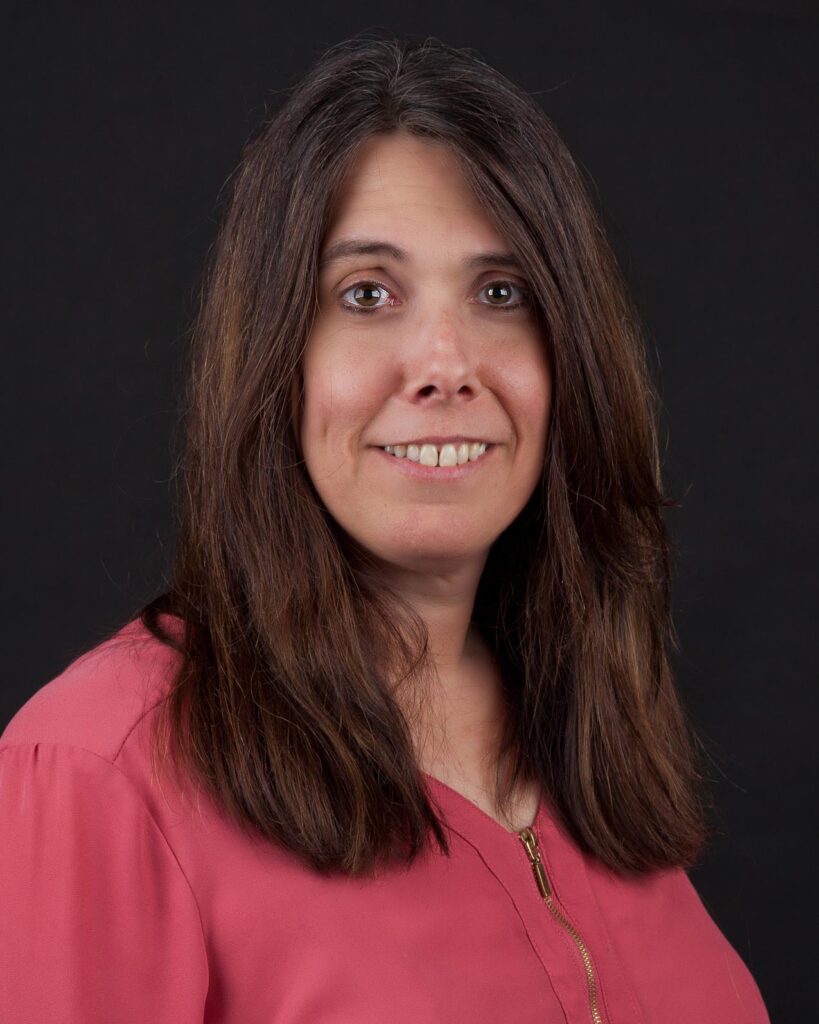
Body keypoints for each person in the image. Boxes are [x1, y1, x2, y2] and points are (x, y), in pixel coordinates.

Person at [0, 34, 771, 1023]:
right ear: (275, 358)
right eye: (367, 293)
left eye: (503, 293)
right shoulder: (99, 769)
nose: (446, 361)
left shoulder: (591, 735)